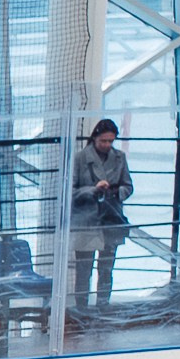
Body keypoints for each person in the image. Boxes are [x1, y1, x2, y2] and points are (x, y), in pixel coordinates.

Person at [71, 118, 134, 312]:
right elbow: (70, 192)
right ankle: (81, 308)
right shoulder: (80, 159)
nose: (107, 145)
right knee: (84, 269)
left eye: (110, 141)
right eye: (103, 141)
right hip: (87, 221)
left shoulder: (120, 158)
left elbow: (128, 186)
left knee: (106, 268)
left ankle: (103, 306)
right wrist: (93, 190)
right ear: (95, 139)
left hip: (110, 219)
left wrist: (115, 192)